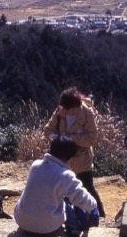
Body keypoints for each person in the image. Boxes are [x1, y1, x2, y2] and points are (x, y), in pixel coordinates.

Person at [14, 137, 98, 237]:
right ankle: (74, 229)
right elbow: (80, 197)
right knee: (66, 200)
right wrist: (93, 206)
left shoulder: (35, 165)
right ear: (69, 157)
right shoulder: (65, 175)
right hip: (47, 226)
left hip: (21, 220)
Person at [43, 87, 105, 217]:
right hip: (62, 159)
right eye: (68, 110)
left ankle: (99, 215)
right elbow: (48, 130)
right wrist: (55, 138)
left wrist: (69, 139)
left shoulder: (87, 113)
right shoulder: (60, 112)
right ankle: (71, 218)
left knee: (87, 189)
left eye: (73, 109)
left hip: (82, 160)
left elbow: (91, 138)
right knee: (63, 191)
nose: (71, 112)